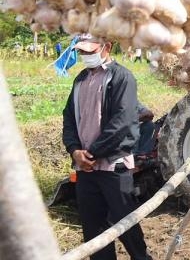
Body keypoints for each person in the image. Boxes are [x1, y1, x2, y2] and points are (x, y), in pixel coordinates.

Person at [62, 35, 152, 260]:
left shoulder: (121, 77)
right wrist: (75, 151)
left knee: (126, 224)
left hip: (114, 165)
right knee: (94, 230)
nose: (85, 56)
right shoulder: (80, 80)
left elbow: (122, 121)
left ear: (107, 47)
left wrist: (92, 154)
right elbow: (69, 119)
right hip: (86, 169)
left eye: (90, 51)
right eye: (82, 52)